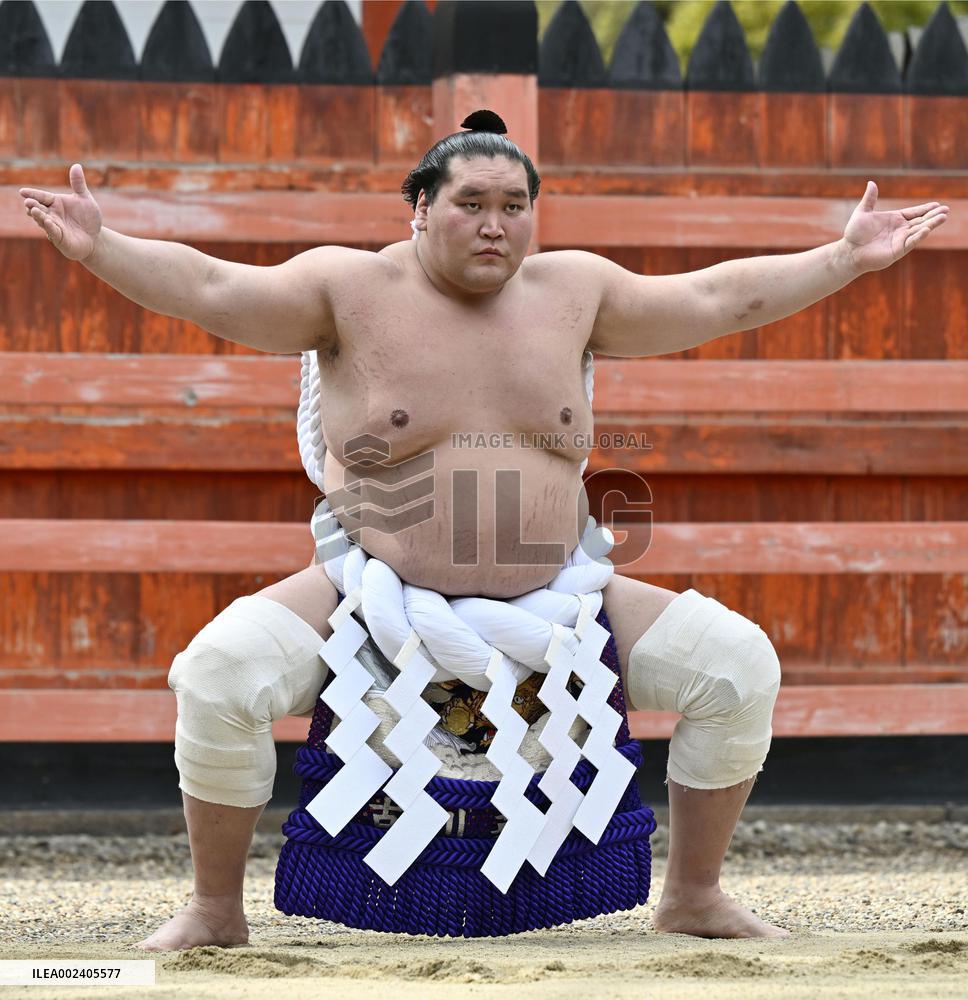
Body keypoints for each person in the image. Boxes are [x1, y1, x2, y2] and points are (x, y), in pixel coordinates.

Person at [19, 110, 948, 952]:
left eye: (515, 205)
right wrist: (104, 249)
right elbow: (215, 287)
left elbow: (712, 301)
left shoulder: (575, 292)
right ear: (420, 208)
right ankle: (216, 910)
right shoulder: (345, 287)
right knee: (217, 675)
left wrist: (842, 260)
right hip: (371, 597)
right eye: (470, 203)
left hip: (563, 603)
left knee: (736, 666)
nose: (495, 224)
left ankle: (693, 894)